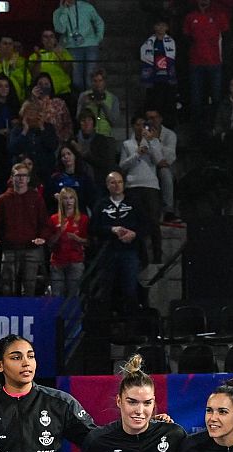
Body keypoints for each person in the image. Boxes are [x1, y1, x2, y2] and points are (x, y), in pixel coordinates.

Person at [0, 162, 47, 296]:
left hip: (32, 248)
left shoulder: (36, 198)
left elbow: (44, 222)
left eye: (24, 175)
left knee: (30, 285)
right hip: (10, 248)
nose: (21, 179)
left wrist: (43, 237)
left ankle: (29, 314)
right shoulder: (3, 199)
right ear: (12, 178)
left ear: (28, 178)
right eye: (18, 175)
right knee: (7, 285)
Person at [89, 170, 142, 308]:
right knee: (106, 289)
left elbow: (146, 224)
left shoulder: (134, 203)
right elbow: (93, 227)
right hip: (108, 252)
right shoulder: (101, 205)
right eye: (113, 182)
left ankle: (131, 324)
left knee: (130, 288)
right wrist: (112, 230)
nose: (117, 185)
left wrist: (134, 234)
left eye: (119, 182)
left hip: (129, 251)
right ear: (107, 185)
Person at [119, 116, 165, 262]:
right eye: (138, 125)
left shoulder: (155, 142)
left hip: (151, 185)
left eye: (143, 125)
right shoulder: (127, 144)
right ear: (133, 126)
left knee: (153, 221)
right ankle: (142, 256)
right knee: (136, 222)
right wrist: (137, 154)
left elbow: (158, 160)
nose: (140, 128)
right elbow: (123, 165)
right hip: (133, 185)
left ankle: (158, 256)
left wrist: (151, 142)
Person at [183, 0, 230, 121]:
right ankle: (197, 128)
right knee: (196, 99)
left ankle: (217, 125)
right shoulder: (190, 17)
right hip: (196, 63)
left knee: (216, 97)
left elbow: (226, 36)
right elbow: (186, 38)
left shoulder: (219, 15)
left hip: (215, 62)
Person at [47, 186, 87, 301]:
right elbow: (49, 243)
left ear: (75, 200)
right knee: (57, 295)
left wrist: (77, 239)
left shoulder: (83, 219)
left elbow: (89, 241)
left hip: (75, 261)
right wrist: (60, 232)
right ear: (61, 201)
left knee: (73, 296)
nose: (68, 201)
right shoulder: (54, 219)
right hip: (57, 262)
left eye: (71, 198)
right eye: (65, 198)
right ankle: (56, 318)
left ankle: (73, 319)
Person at [55, 0, 105, 92]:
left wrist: (98, 39)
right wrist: (64, 10)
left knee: (90, 78)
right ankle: (82, 101)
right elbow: (61, 30)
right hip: (72, 47)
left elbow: (99, 22)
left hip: (90, 45)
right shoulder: (58, 12)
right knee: (76, 81)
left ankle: (91, 103)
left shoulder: (87, 7)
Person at [7, 101, 59, 182]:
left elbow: (53, 146)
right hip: (23, 173)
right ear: (23, 113)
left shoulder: (48, 127)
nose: (31, 113)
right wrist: (24, 131)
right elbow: (13, 149)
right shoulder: (17, 129)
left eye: (34, 110)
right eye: (28, 110)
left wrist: (42, 128)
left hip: (45, 170)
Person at [138, 20, 178, 122]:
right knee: (154, 102)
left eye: (163, 26)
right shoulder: (149, 42)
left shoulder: (171, 42)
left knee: (167, 103)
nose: (160, 28)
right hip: (154, 78)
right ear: (154, 27)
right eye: (158, 25)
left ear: (167, 28)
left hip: (167, 78)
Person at [29, 28, 74, 99]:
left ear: (55, 40)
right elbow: (34, 76)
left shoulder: (64, 52)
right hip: (42, 94)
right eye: (45, 37)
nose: (48, 39)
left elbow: (69, 71)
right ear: (42, 40)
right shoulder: (35, 55)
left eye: (51, 36)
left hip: (63, 93)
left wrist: (60, 56)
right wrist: (39, 58)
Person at [77, 69, 123, 138]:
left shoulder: (113, 98)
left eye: (100, 81)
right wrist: (83, 104)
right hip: (87, 136)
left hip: (105, 135)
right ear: (91, 82)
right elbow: (78, 118)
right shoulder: (84, 96)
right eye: (95, 81)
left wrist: (103, 105)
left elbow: (115, 122)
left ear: (104, 82)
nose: (97, 84)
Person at [0, 35, 28, 100]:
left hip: (15, 99)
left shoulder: (20, 60)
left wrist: (14, 69)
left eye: (10, 44)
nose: (8, 46)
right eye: (5, 44)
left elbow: (26, 82)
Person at [76, 110, 120, 176]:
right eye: (83, 120)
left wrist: (86, 155)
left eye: (89, 120)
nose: (86, 123)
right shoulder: (74, 141)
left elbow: (104, 163)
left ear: (93, 122)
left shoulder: (101, 140)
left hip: (97, 178)